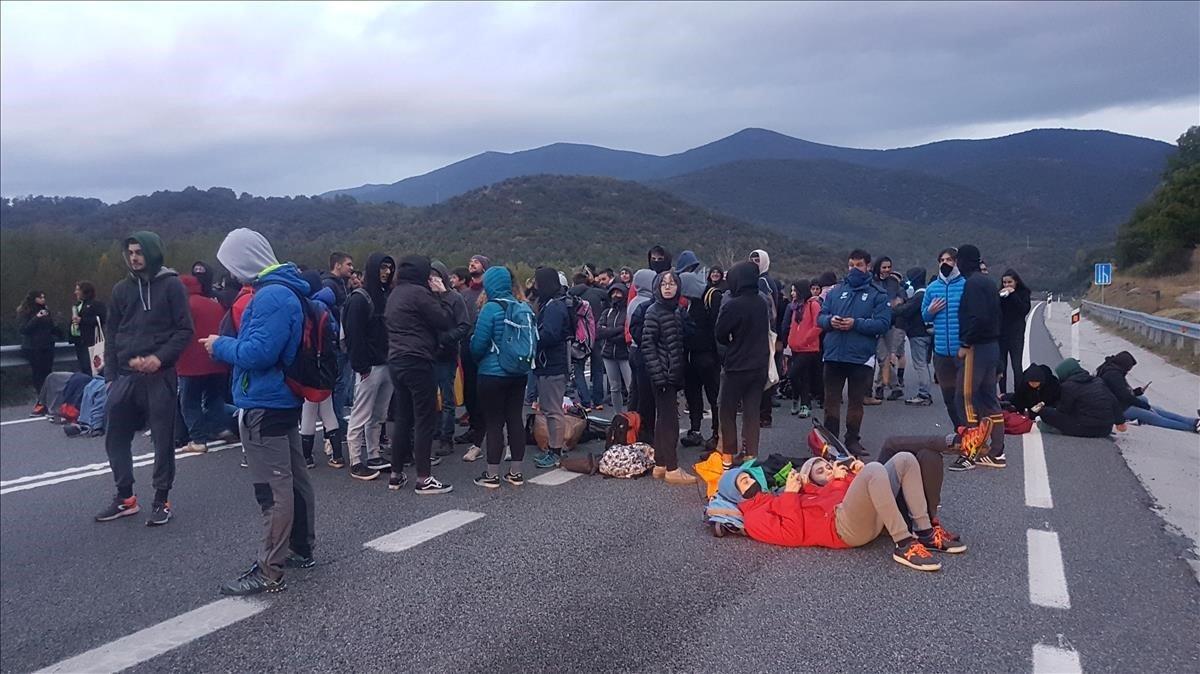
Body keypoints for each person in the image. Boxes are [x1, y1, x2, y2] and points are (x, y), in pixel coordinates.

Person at [204, 227, 313, 594]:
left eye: (232, 264)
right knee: (295, 479)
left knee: (273, 490)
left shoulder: (270, 297)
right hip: (283, 399)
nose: (231, 274)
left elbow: (257, 354)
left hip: (264, 402)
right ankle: (300, 548)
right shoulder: (290, 289)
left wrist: (220, 345)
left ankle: (269, 569)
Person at [94, 231, 193, 526]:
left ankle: (162, 499)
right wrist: (110, 376)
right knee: (115, 437)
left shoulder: (171, 286)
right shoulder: (121, 290)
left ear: (151, 252)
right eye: (130, 253)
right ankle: (125, 497)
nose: (134, 257)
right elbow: (111, 334)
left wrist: (159, 358)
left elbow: (185, 331)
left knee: (163, 440)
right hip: (124, 376)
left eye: (139, 252)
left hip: (159, 376)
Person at [731, 454, 952, 572]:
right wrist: (790, 495)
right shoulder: (754, 517)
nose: (750, 479)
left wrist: (849, 474)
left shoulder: (779, 496)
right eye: (742, 481)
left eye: (749, 476)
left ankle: (925, 532)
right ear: (735, 493)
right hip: (841, 528)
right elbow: (792, 535)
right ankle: (904, 544)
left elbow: (851, 494)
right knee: (875, 469)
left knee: (904, 459)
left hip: (856, 514)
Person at [384, 255, 456, 493]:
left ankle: (396, 474)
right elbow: (444, 321)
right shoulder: (419, 293)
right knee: (425, 418)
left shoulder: (395, 293)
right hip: (418, 359)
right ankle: (424, 478)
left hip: (396, 360)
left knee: (403, 417)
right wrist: (443, 294)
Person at [818, 249, 890, 458]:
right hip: (834, 354)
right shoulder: (835, 291)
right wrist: (830, 321)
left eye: (859, 265)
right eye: (851, 265)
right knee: (831, 400)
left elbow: (883, 324)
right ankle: (830, 440)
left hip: (861, 356)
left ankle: (852, 440)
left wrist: (856, 323)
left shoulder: (878, 294)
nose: (854, 269)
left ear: (868, 266)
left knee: (856, 401)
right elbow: (820, 317)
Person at [469, 266, 532, 487]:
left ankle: (492, 474)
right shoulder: (523, 306)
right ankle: (516, 472)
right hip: (518, 372)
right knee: (515, 419)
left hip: (492, 373)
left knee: (494, 422)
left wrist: (478, 358)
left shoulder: (490, 309)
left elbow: (478, 345)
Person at [950, 244, 1005, 471]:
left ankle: (969, 453)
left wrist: (965, 343)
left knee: (965, 397)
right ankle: (996, 451)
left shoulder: (972, 283)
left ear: (963, 261)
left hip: (977, 348)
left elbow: (978, 318)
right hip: (992, 346)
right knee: (989, 398)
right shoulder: (988, 282)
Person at [342, 253, 396, 479]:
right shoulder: (359, 299)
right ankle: (355, 460)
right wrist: (360, 365)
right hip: (369, 367)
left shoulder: (386, 295)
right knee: (360, 414)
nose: (386, 272)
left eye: (389, 268)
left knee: (379, 414)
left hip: (387, 364)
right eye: (382, 267)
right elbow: (355, 336)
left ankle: (373, 455)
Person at [640, 271, 696, 485]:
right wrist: (659, 375)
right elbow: (648, 345)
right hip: (662, 374)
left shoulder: (675, 310)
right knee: (670, 421)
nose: (668, 287)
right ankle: (672, 467)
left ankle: (660, 464)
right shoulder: (654, 311)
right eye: (663, 284)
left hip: (671, 373)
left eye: (672, 283)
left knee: (663, 419)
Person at [713, 261, 770, 468]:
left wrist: (732, 342)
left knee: (727, 410)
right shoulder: (761, 302)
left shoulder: (733, 304)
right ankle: (750, 456)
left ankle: (728, 455)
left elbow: (720, 333)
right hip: (759, 365)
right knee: (752, 411)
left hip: (736, 366)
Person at [176, 274, 231, 453]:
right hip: (217, 360)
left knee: (189, 402)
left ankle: (198, 440)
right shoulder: (214, 304)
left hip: (191, 363)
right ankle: (220, 428)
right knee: (214, 399)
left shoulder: (182, 307)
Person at [296, 270, 343, 469]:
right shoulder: (327, 306)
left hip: (310, 366)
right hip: (327, 364)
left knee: (308, 411)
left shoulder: (306, 307)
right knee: (328, 410)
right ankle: (337, 455)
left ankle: (306, 457)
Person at [1096, 351, 1200, 433]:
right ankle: (1191, 427)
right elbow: (1125, 397)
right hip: (1117, 408)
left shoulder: (1109, 369)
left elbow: (1119, 392)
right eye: (1129, 368)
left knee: (1157, 409)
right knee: (1156, 418)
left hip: (1117, 402)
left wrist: (1137, 392)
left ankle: (1193, 421)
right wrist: (1143, 405)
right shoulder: (1113, 375)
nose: (1128, 371)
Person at [531, 266, 573, 469]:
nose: (535, 286)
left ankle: (555, 451)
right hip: (550, 363)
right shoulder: (552, 303)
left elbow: (550, 335)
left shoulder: (554, 307)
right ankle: (554, 448)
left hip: (553, 365)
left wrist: (532, 337)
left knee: (553, 410)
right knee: (549, 408)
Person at [922, 248, 966, 429]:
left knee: (964, 396)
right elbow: (924, 316)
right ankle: (960, 431)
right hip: (941, 352)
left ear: (956, 262)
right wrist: (930, 311)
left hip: (963, 351)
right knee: (949, 397)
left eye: (949, 259)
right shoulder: (932, 288)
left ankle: (973, 433)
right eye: (941, 260)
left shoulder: (966, 284)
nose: (945, 263)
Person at [430, 260, 470, 456]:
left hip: (446, 354)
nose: (432, 280)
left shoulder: (454, 298)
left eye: (435, 276)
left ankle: (447, 438)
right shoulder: (425, 297)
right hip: (427, 354)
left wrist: (446, 339)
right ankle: (434, 430)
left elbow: (464, 326)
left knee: (447, 397)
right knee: (429, 396)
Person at [682, 263, 723, 448]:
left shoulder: (712, 296)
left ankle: (717, 433)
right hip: (691, 357)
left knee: (714, 395)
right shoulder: (692, 301)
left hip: (707, 356)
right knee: (693, 395)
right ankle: (695, 430)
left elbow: (717, 327)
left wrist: (718, 355)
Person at [1036, 358, 1126, 438]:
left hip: (1085, 428)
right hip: (1105, 430)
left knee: (1045, 411)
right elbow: (1113, 401)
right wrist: (1120, 421)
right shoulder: (1097, 381)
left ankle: (1052, 428)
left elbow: (1063, 410)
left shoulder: (1068, 386)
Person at [457, 255, 489, 460]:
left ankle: (487, 432)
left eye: (476, 261)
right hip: (465, 346)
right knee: (469, 391)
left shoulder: (489, 294)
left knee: (485, 392)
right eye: (470, 261)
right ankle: (475, 428)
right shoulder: (464, 294)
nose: (471, 263)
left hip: (484, 348)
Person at [322, 251, 355, 437]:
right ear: (337, 265)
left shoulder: (340, 284)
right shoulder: (330, 285)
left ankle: (336, 420)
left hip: (342, 340)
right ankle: (335, 421)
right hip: (337, 342)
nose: (351, 268)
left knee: (342, 382)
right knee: (339, 382)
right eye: (348, 264)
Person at [749, 249, 782, 427]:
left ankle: (763, 414)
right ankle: (763, 413)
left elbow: (771, 312)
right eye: (752, 258)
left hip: (765, 333)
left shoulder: (762, 281)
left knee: (764, 374)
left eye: (757, 258)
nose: (754, 261)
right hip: (769, 332)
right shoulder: (765, 279)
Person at [17, 291, 63, 414]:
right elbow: (24, 329)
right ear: (34, 299)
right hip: (33, 348)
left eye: (44, 297)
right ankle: (41, 401)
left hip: (47, 346)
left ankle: (48, 401)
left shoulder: (46, 310)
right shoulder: (26, 312)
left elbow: (51, 327)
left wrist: (59, 332)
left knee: (48, 374)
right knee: (38, 375)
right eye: (40, 297)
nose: (43, 299)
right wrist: (36, 318)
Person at [894, 267, 933, 406]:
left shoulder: (919, 296)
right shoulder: (926, 293)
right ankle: (925, 392)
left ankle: (924, 393)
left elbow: (905, 311)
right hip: (926, 333)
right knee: (924, 363)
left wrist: (896, 307)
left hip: (918, 333)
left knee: (920, 364)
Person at [782, 282, 821, 418]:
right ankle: (804, 403)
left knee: (793, 374)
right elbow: (792, 326)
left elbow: (818, 325)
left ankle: (799, 399)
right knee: (802, 376)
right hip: (795, 346)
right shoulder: (795, 307)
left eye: (794, 291)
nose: (792, 293)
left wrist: (806, 339)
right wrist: (790, 341)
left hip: (808, 348)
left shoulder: (813, 305)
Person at [869, 256, 905, 403]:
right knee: (883, 357)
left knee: (886, 358)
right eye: (884, 267)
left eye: (889, 267)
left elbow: (902, 293)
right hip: (875, 324)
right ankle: (893, 387)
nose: (887, 270)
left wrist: (900, 300)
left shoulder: (893, 282)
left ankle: (880, 387)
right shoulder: (871, 282)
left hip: (891, 324)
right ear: (878, 268)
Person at [627, 268, 657, 432]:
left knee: (635, 391)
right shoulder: (646, 303)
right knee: (645, 396)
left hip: (633, 349)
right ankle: (643, 430)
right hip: (642, 350)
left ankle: (631, 425)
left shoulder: (634, 300)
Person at [596, 281, 632, 411]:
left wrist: (610, 332)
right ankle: (618, 416)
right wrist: (618, 330)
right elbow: (599, 331)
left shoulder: (629, 311)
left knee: (630, 387)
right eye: (613, 293)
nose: (616, 295)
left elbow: (626, 333)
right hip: (608, 354)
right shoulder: (607, 311)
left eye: (619, 292)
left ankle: (632, 416)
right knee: (614, 388)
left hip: (625, 355)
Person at [997, 269, 1032, 395]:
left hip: (1016, 334)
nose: (1007, 285)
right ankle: (1002, 394)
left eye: (1010, 282)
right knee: (1002, 366)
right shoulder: (1000, 294)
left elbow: (1023, 310)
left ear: (1016, 282)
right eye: (1004, 282)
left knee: (1017, 366)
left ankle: (1019, 394)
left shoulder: (1024, 293)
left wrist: (1013, 295)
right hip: (1001, 334)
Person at [69, 281, 106, 375]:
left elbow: (102, 319)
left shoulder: (96, 304)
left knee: (92, 367)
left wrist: (82, 320)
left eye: (78, 289)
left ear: (84, 291)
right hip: (79, 341)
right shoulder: (77, 305)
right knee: (83, 367)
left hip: (91, 341)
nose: (75, 292)